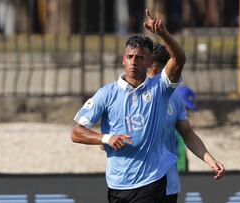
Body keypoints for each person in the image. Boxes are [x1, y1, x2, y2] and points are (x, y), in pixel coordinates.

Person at [71, 9, 186, 202]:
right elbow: (76, 133)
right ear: (123, 60)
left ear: (150, 62)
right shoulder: (107, 94)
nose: (133, 62)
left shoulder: (160, 88)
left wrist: (163, 33)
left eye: (140, 58)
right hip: (117, 183)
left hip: (152, 181)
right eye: (130, 57)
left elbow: (179, 59)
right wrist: (107, 139)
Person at [148, 44, 225, 203]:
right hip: (136, 186)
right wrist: (107, 140)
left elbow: (188, 134)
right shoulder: (127, 96)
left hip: (167, 186)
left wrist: (210, 160)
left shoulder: (174, 98)